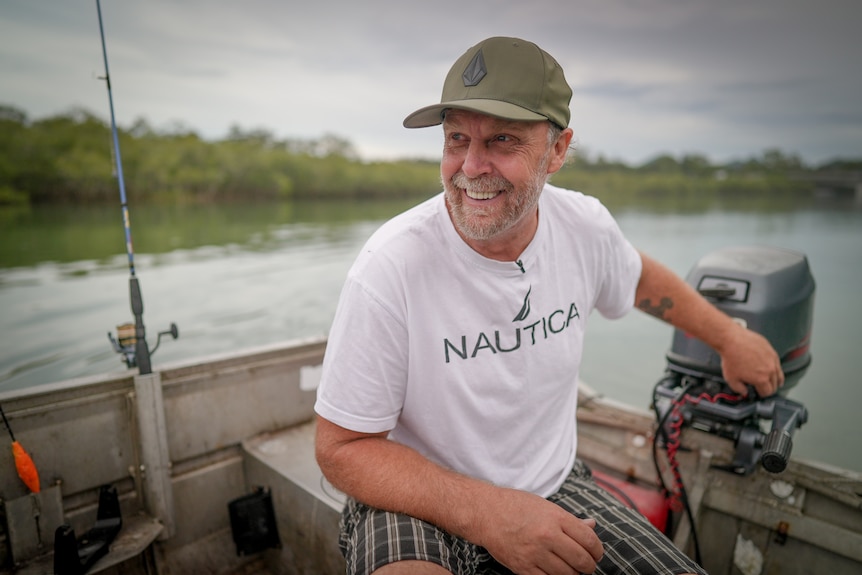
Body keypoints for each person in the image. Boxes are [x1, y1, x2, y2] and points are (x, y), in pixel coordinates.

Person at [314, 36, 784, 575]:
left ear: (558, 150)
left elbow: (636, 279)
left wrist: (730, 337)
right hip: (415, 499)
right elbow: (341, 448)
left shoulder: (583, 227)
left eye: (503, 140)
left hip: (553, 484)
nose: (470, 167)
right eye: (456, 139)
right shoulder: (390, 265)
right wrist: (488, 512)